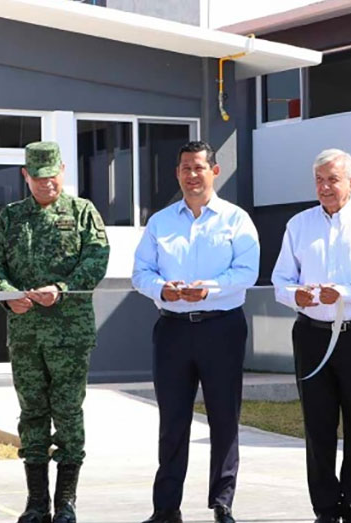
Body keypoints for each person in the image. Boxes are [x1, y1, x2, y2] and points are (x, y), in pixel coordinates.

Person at [0, 141, 109, 523]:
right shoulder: (12, 216)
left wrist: (62, 290)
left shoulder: (82, 212)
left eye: (52, 178)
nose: (46, 185)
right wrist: (6, 295)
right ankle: (36, 502)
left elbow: (97, 259)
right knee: (32, 415)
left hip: (69, 334)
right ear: (26, 176)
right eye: (38, 179)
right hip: (25, 334)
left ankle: (66, 502)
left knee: (68, 414)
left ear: (63, 171)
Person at [132, 140, 259, 523]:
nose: (191, 175)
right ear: (178, 173)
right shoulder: (161, 222)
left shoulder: (235, 220)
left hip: (221, 328)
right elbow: (141, 272)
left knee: (224, 419)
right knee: (172, 422)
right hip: (172, 330)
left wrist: (210, 288)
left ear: (214, 172)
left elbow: (247, 272)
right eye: (185, 168)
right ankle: (166, 508)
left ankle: (222, 503)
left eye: (199, 167)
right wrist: (162, 289)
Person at [271, 149, 351, 523]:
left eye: (333, 179)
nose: (325, 187)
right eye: (319, 180)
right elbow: (280, 281)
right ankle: (324, 508)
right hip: (311, 335)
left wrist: (342, 292)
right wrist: (298, 295)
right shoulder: (298, 225)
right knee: (318, 424)